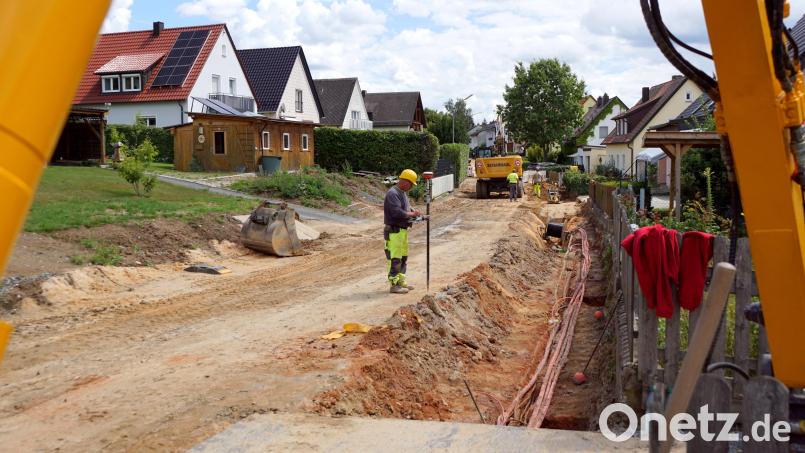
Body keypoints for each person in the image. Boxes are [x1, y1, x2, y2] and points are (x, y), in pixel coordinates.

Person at [384, 169, 422, 294]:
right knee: (395, 258)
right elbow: (397, 212)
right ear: (405, 182)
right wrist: (411, 213)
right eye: (411, 184)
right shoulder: (392, 193)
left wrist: (415, 213)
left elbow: (406, 208)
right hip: (394, 231)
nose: (411, 187)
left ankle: (401, 281)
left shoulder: (402, 193)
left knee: (403, 257)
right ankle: (394, 285)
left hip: (402, 231)